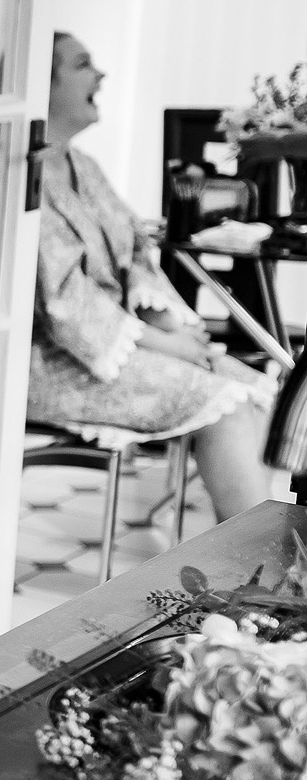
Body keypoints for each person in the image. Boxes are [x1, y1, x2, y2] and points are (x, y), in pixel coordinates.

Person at [31, 32, 283, 520]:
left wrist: (176, 329)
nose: (100, 75)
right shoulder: (26, 176)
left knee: (253, 387)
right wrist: (169, 348)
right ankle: (258, 568)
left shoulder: (84, 165)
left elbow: (137, 256)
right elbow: (65, 305)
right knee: (225, 404)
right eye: (84, 64)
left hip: (115, 346)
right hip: (48, 361)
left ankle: (270, 559)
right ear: (43, 82)